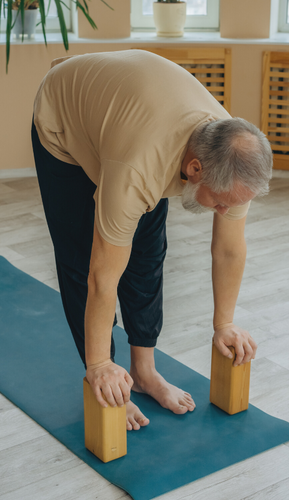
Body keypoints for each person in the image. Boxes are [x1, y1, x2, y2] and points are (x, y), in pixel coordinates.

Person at [31, 49, 272, 431]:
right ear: (195, 169)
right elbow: (101, 277)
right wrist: (99, 365)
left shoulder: (231, 152)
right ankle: (110, 378)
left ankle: (143, 373)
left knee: (147, 253)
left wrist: (224, 323)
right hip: (64, 120)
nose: (225, 212)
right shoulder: (138, 170)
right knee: (83, 256)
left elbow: (228, 249)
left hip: (128, 121)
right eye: (221, 204)